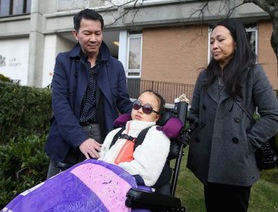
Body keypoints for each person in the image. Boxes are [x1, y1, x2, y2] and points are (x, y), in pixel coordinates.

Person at [2, 90, 179, 212]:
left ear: (156, 117)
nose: (140, 110)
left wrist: (104, 173)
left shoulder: (156, 135)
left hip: (123, 186)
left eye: (147, 108)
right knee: (46, 196)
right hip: (98, 180)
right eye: (137, 105)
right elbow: (101, 160)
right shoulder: (117, 132)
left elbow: (147, 174)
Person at [186, 18, 278, 212]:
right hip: (208, 160)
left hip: (236, 163)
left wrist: (247, 143)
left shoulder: (253, 73)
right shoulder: (205, 76)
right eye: (212, 41)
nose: (214, 45)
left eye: (220, 40)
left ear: (236, 42)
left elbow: (273, 116)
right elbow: (195, 113)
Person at [45, 8, 132, 179]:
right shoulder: (63, 61)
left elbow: (123, 103)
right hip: (67, 138)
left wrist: (147, 115)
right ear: (76, 34)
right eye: (87, 33)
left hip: (102, 138)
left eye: (97, 33)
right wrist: (80, 139)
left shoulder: (116, 67)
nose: (93, 39)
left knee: (93, 193)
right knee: (54, 194)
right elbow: (60, 104)